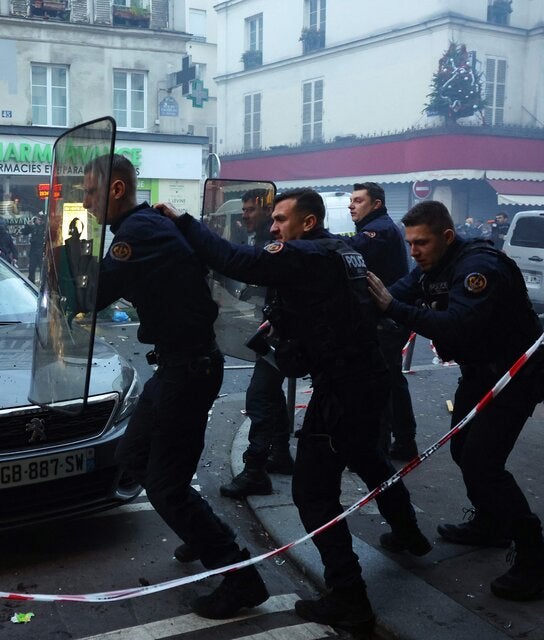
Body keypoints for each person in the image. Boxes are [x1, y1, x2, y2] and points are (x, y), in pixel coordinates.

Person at [160, 188, 429, 633]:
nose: (273, 227)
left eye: (282, 219)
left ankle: (350, 598)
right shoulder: (341, 252)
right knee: (367, 457)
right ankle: (408, 533)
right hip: (365, 377)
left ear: (307, 222)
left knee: (313, 494)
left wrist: (184, 222)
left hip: (342, 388)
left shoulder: (304, 253)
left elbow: (235, 261)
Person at [83, 154, 269, 619]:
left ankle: (239, 576)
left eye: (90, 192)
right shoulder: (143, 227)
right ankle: (197, 528)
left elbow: (97, 291)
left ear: (117, 189)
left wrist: (64, 269)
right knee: (135, 459)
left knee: (164, 485)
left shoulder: (138, 232)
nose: (85, 203)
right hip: (181, 366)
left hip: (188, 371)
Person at [367, 200, 544, 602]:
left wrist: (393, 308)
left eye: (422, 243)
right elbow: (393, 294)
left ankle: (534, 554)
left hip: (513, 377)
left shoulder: (478, 268)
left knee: (485, 463)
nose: (414, 252)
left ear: (447, 237)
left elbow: (458, 326)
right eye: (410, 243)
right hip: (479, 372)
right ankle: (491, 523)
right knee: (464, 451)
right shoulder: (434, 266)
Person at [219, 188, 293, 500]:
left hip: (287, 333)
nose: (245, 215)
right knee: (269, 394)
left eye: (251, 210)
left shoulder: (277, 244)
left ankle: (255, 470)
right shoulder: (267, 240)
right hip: (283, 331)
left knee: (260, 396)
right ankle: (280, 454)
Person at [344, 182, 419, 461]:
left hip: (386, 319)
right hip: (390, 316)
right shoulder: (378, 227)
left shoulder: (380, 230)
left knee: (381, 382)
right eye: (351, 200)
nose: (351, 205)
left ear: (376, 204)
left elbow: (347, 251)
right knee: (391, 380)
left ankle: (380, 449)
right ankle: (403, 441)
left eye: (358, 200)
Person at [21, 213, 46, 283]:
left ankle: (43, 283)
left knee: (42, 268)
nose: (39, 221)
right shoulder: (33, 226)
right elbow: (24, 232)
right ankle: (31, 283)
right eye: (38, 219)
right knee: (32, 268)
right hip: (34, 249)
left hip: (42, 249)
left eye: (41, 220)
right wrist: (28, 225)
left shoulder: (45, 227)